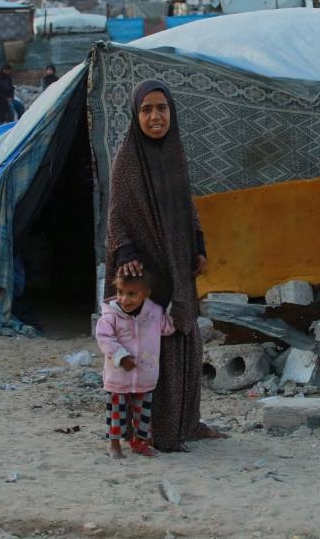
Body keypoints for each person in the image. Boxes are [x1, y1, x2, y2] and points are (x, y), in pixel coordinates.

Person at [105, 79, 225, 452]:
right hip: (147, 270)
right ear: (135, 115)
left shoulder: (174, 152)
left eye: (162, 109)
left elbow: (185, 202)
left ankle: (187, 423)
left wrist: (198, 243)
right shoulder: (128, 157)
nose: (155, 117)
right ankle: (155, 432)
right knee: (154, 349)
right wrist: (126, 255)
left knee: (187, 343)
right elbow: (117, 215)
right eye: (146, 110)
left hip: (178, 261)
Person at [95, 270, 175, 459]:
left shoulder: (154, 313)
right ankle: (114, 444)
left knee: (143, 413)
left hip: (145, 374)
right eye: (121, 292)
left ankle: (140, 443)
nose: (125, 299)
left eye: (132, 294)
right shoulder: (110, 315)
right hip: (118, 375)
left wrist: (173, 310)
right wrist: (121, 357)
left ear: (145, 294)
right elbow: (104, 338)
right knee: (116, 412)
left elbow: (167, 328)